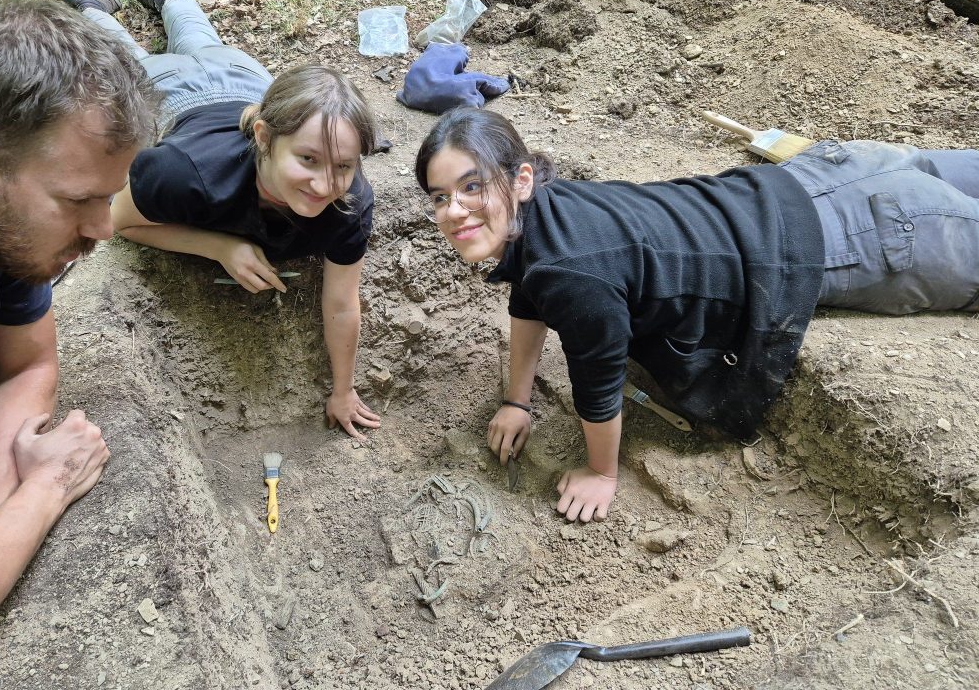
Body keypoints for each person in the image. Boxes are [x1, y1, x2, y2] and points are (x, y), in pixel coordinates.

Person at [414, 107, 979, 523]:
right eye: (439, 196)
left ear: (520, 181)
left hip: (873, 233)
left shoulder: (569, 270)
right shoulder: (550, 212)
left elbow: (599, 382)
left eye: (471, 186)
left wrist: (601, 473)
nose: (454, 210)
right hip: (827, 171)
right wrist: (518, 398)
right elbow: (527, 297)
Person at [56, 0, 382, 440]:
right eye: (308, 160)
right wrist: (219, 247)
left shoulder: (349, 201)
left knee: (203, 41)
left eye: (343, 166)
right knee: (129, 57)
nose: (323, 183)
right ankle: (88, 6)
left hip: (248, 79)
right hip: (174, 93)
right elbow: (120, 220)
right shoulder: (186, 174)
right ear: (266, 138)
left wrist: (343, 390)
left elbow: (341, 301)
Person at [0, 0, 160, 648]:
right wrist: (44, 487)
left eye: (109, 197)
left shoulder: (2, 229)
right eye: (78, 200)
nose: (104, 228)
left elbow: (30, 363)